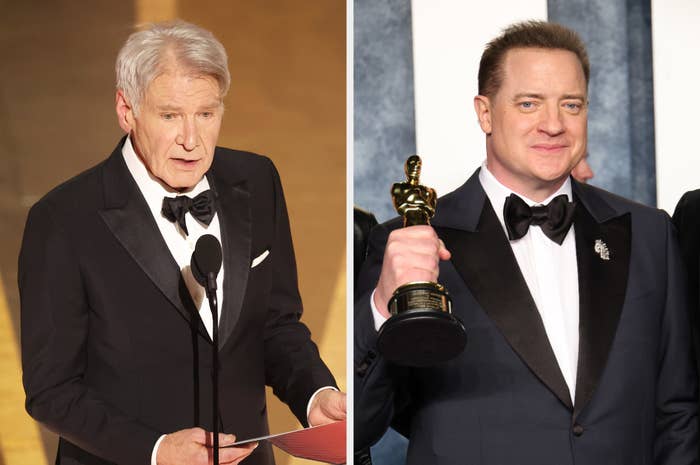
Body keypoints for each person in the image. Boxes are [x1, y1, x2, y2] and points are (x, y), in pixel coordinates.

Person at [354, 20, 697, 464]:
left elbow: (678, 413)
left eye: (571, 105)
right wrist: (382, 306)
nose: (553, 125)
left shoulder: (650, 233)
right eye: (529, 103)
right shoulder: (410, 241)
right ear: (485, 112)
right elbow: (361, 424)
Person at [19, 21, 345, 465]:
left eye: (206, 115)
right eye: (169, 116)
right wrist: (155, 451)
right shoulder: (63, 220)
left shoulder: (257, 180)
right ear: (126, 110)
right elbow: (51, 391)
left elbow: (275, 324)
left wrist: (314, 393)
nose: (191, 141)